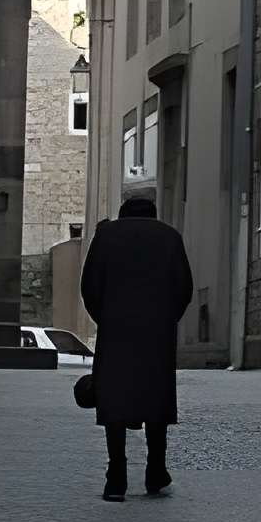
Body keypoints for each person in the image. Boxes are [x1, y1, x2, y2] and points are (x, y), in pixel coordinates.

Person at [80, 177, 194, 501]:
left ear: (123, 209)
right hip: (157, 332)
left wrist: (106, 318)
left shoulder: (106, 236)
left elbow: (89, 287)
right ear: (153, 211)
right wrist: (166, 319)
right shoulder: (170, 237)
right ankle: (155, 470)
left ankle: (116, 476)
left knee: (114, 401)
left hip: (116, 330)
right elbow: (184, 287)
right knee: (155, 400)